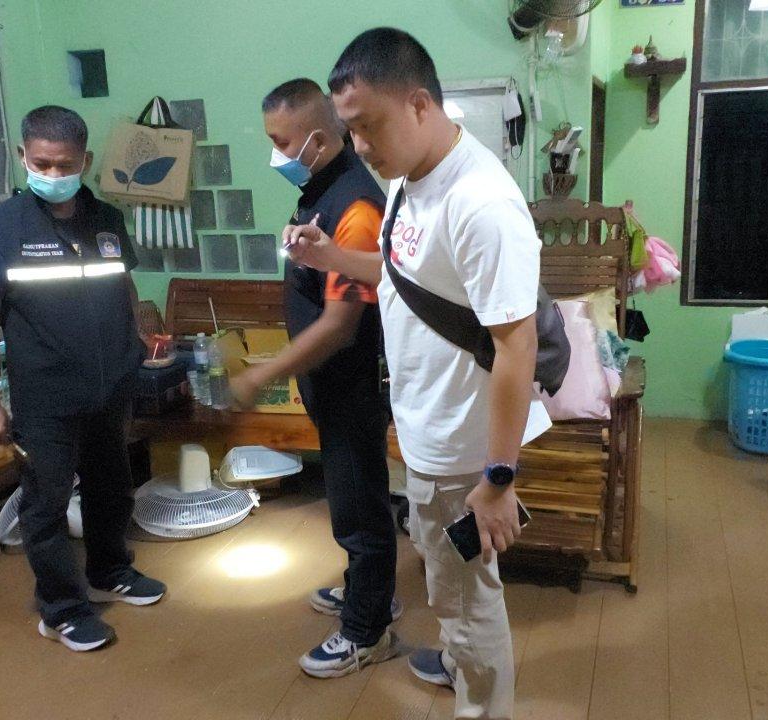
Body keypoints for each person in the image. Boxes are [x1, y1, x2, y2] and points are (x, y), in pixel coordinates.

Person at [286, 28, 551, 720]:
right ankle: (462, 661)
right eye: (349, 129)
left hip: (464, 452)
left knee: (468, 598)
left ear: (419, 105)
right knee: (450, 584)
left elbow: (517, 346)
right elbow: (402, 274)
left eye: (367, 126)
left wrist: (498, 479)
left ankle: (481, 703)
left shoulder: (481, 203)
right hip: (427, 431)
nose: (358, 146)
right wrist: (329, 258)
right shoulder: (410, 180)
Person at [0, 105, 165, 652]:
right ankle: (62, 609)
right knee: (46, 503)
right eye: (42, 163)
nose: (53, 174)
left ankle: (110, 570)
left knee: (110, 486)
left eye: (65, 165)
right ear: (23, 156)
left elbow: (122, 284)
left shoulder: (106, 218)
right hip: (46, 394)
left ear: (85, 161)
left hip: (110, 384)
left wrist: (137, 338)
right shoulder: (0, 228)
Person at [229, 78, 401, 678]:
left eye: (282, 142)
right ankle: (368, 591)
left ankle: (367, 631)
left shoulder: (355, 206)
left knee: (360, 509)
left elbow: (339, 325)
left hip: (351, 383)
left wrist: (263, 375)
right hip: (330, 385)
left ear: (319, 140)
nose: (275, 154)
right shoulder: (322, 189)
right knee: (351, 499)